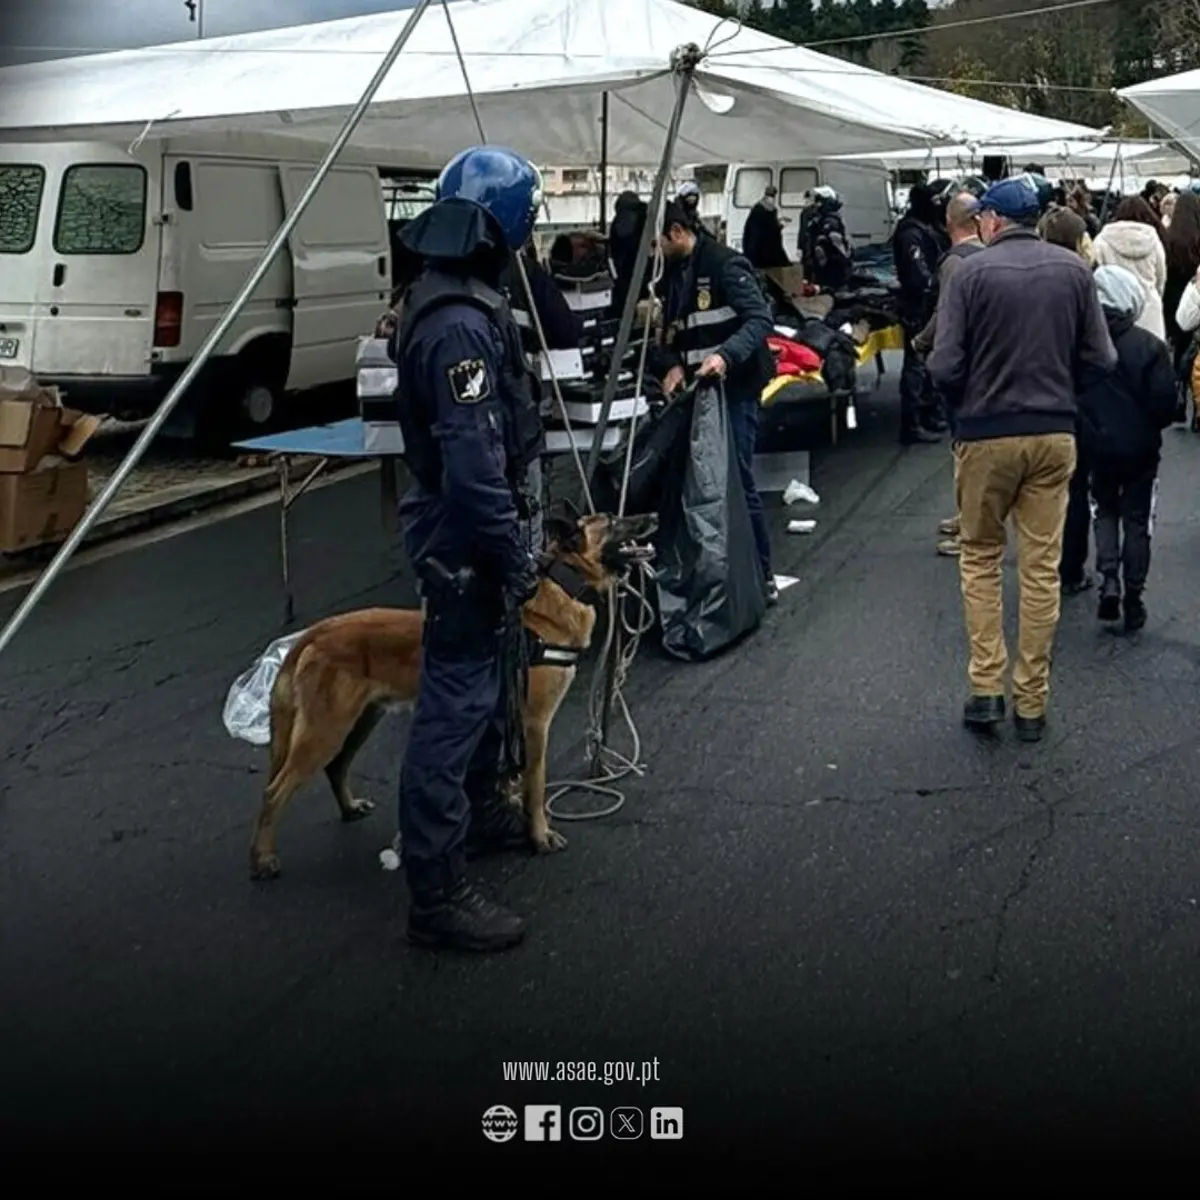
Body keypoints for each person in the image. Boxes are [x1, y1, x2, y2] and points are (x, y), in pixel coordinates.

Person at [386, 145, 547, 952]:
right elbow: (475, 463)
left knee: (480, 688)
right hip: (463, 536)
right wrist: (513, 557)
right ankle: (437, 892)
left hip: (464, 529)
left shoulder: (453, 302)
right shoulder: (458, 326)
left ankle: (480, 815)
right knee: (452, 705)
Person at [928, 175, 1117, 742]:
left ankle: (987, 689)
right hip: (1054, 433)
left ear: (990, 220)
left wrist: (966, 402)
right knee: (1040, 569)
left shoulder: (969, 273)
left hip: (985, 432)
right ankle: (1032, 701)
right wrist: (1065, 389)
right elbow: (1102, 357)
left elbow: (943, 365)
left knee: (981, 558)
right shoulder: (1074, 271)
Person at [651, 199, 778, 603]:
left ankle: (762, 574)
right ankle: (715, 574)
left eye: (657, 243)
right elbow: (672, 330)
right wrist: (670, 364)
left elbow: (759, 320)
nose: (654, 254)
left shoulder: (725, 264)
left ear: (675, 233)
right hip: (697, 390)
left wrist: (725, 356)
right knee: (702, 483)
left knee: (737, 480)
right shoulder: (673, 275)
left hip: (735, 388)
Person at [1078, 265, 1178, 633]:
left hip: (1096, 444)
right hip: (1140, 447)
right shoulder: (1149, 346)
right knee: (1138, 519)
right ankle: (1134, 593)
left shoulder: (1083, 345)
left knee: (1103, 510)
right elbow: (1165, 403)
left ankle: (1108, 579)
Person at [911, 192, 986, 558]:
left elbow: (946, 314)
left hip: (962, 366)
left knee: (965, 449)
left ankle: (971, 527)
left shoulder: (955, 263)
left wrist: (921, 343)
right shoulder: (987, 255)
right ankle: (967, 515)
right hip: (984, 362)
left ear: (948, 222)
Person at [893, 183, 949, 444]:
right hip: (917, 306)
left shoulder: (925, 228)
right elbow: (918, 275)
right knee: (916, 365)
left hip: (928, 304)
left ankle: (928, 413)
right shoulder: (910, 234)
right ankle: (912, 424)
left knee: (928, 365)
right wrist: (934, 288)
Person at [1091, 196, 1167, 341]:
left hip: (1115, 312)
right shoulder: (1153, 239)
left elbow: (1096, 276)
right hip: (1149, 309)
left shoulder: (1102, 240)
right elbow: (1161, 275)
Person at [1162, 191, 1200, 420]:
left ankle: (1180, 394)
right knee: (1195, 350)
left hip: (1174, 298)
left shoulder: (1168, 237)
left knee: (1180, 349)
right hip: (1196, 295)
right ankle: (1197, 405)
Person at [799, 186, 854, 291]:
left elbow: (840, 251)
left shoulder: (830, 221)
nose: (816, 205)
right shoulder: (819, 219)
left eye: (819, 202)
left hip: (833, 271)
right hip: (824, 270)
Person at [742, 184, 791, 270]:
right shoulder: (762, 211)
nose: (772, 200)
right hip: (763, 252)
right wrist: (780, 226)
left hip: (761, 251)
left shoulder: (759, 209)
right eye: (772, 197)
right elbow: (769, 230)